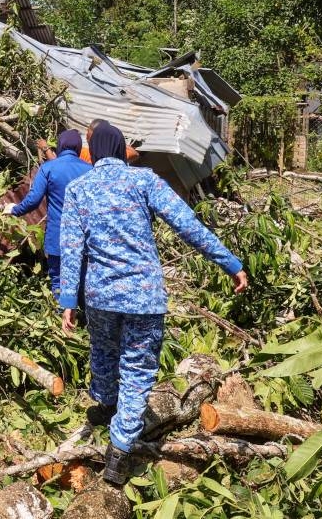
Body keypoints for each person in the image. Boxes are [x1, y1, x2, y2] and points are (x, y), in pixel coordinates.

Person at [58, 122, 248, 486]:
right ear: (119, 149)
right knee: (137, 368)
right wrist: (230, 263)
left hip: (100, 296)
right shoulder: (143, 181)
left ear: (94, 151)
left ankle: (108, 407)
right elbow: (187, 225)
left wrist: (68, 298)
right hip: (143, 296)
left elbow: (71, 248)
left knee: (103, 351)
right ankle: (120, 447)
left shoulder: (79, 189)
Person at [7, 129, 92, 306]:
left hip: (58, 236)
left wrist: (14, 209)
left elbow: (33, 200)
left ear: (60, 146)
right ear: (78, 147)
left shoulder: (48, 168)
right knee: (83, 280)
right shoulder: (90, 170)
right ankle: (84, 320)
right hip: (84, 237)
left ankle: (64, 320)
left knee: (58, 279)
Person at [36, 119, 139, 164]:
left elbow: (59, 166)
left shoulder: (84, 152)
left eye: (89, 135)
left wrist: (46, 148)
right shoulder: (116, 151)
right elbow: (134, 154)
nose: (86, 137)